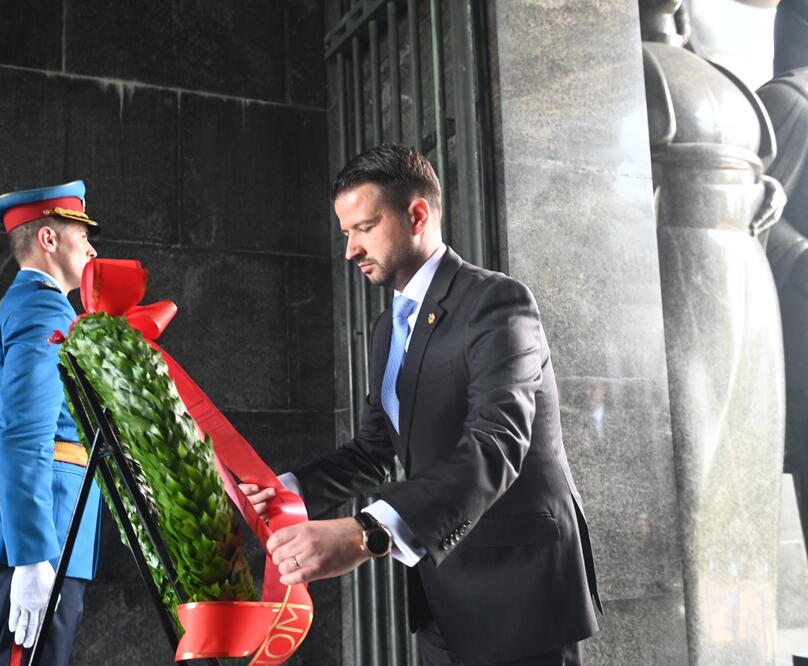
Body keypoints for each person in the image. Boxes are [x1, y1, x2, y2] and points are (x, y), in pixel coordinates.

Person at [242, 145, 600, 665]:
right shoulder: (389, 327)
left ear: (416, 215)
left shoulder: (498, 302)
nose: (350, 251)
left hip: (520, 595)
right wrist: (283, 492)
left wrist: (367, 532)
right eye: (346, 233)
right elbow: (372, 450)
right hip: (441, 594)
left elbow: (496, 444)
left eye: (364, 227)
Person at [0, 180, 103, 666]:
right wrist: (33, 555)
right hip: (38, 541)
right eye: (82, 234)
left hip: (18, 534)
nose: (92, 247)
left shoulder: (22, 307)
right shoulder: (43, 310)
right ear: (49, 239)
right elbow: (20, 435)